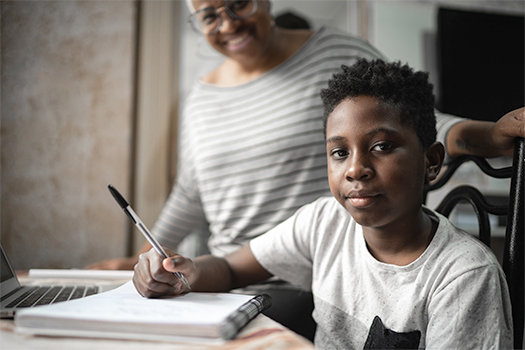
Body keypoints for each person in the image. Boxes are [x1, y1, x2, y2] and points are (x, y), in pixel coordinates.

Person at [88, 0, 524, 340]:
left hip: (297, 279)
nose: (227, 22)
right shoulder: (202, 97)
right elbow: (191, 189)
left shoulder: (333, 54)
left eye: (239, 3)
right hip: (223, 272)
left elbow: (418, 122)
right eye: (207, 15)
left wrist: (491, 135)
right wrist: (155, 255)